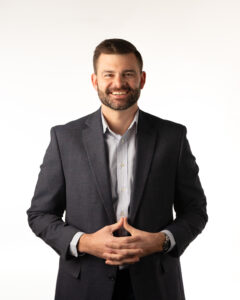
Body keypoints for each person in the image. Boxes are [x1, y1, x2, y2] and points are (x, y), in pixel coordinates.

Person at [27, 38, 208, 300]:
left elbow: (195, 211)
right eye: (109, 75)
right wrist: (85, 242)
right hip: (83, 286)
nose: (118, 83)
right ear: (95, 81)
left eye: (128, 74)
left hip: (156, 287)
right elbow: (40, 214)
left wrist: (161, 240)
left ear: (142, 79)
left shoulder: (173, 137)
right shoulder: (64, 138)